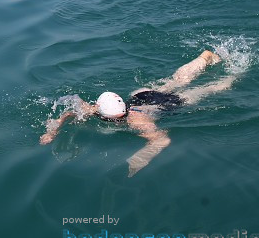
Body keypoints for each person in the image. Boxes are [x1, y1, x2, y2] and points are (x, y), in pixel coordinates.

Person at [39, 50, 233, 176]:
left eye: (120, 118)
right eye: (117, 119)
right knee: (176, 81)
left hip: (162, 104)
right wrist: (52, 131)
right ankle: (203, 58)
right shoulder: (96, 110)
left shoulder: (136, 122)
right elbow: (69, 112)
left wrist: (139, 160)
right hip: (141, 96)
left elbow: (162, 140)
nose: (120, 121)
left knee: (213, 88)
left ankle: (234, 74)